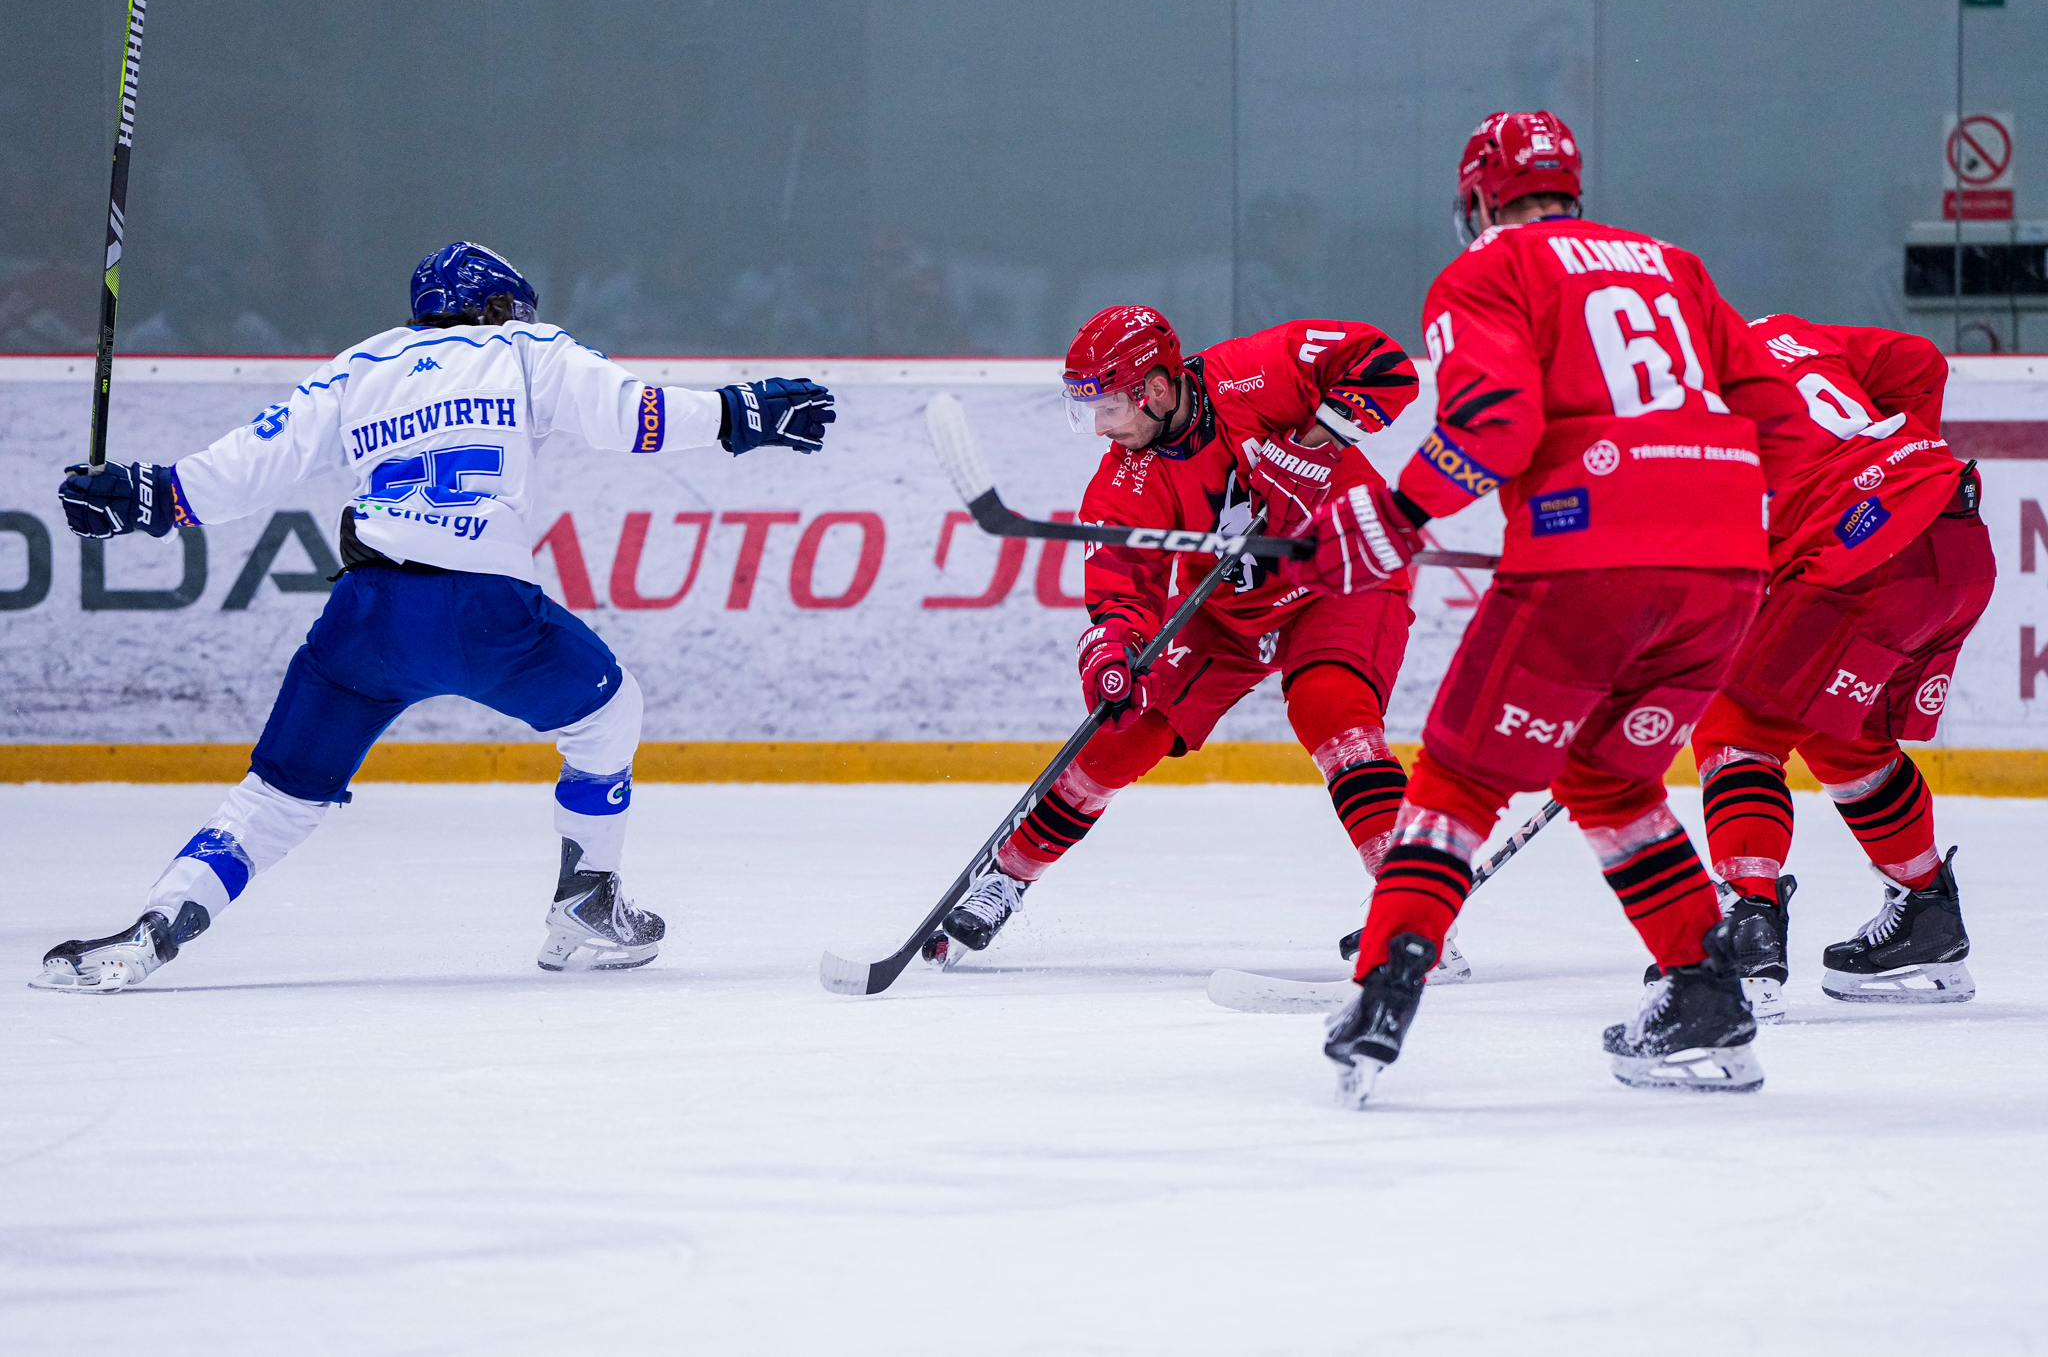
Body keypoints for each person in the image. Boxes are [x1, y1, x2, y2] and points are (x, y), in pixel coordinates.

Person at [34, 241, 836, 992]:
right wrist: (738, 413)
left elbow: (250, 463)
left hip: (369, 615)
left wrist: (144, 496)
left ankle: (156, 926)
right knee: (609, 710)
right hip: (486, 612)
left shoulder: (359, 367)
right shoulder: (525, 350)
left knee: (277, 794)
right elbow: (634, 414)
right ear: (496, 307)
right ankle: (587, 899)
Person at [1285, 111, 1810, 1103]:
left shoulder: (1488, 268)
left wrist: (1397, 513)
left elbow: (1494, 423)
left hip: (1584, 567)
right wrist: (1688, 510)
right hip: (1725, 573)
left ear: (1477, 199)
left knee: (1457, 778)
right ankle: (1702, 991)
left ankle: (1381, 991)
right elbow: (1784, 428)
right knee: (1609, 780)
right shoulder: (1676, 267)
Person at [922, 304, 1423, 968]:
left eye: (1109, 408)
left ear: (1156, 389)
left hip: (1343, 574)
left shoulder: (1256, 372)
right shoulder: (1121, 483)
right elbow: (1120, 594)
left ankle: (1412, 911)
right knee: (1119, 736)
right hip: (1228, 610)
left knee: (1329, 707)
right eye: (1088, 410)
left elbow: (1386, 365)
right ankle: (1006, 877)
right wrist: (1114, 652)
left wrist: (1315, 444)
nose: (1101, 426)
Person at [1689, 314, 1993, 1014]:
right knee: (1840, 729)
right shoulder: (1783, 332)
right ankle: (1927, 914)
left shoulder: (1667, 405)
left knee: (1737, 724)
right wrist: (1891, 483)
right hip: (1952, 530)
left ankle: (1748, 926)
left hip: (1863, 564)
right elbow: (1920, 361)